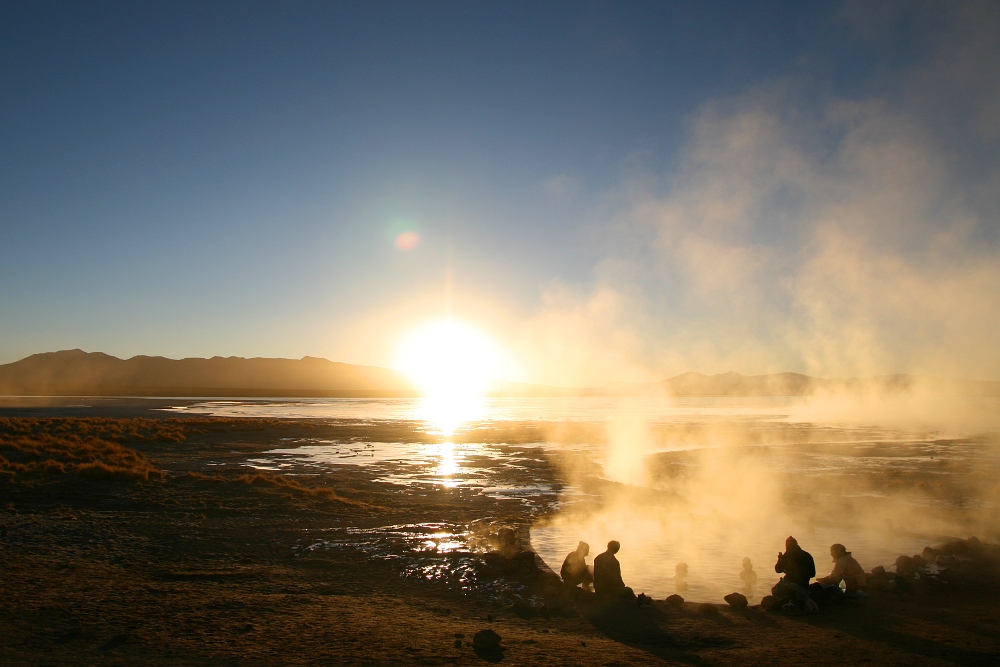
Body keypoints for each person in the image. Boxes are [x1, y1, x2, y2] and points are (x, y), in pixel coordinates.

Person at [773, 536, 818, 612]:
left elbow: (778, 570)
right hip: (803, 584)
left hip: (794, 583)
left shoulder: (788, 555)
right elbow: (813, 574)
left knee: (776, 591)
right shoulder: (806, 555)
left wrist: (781, 559)